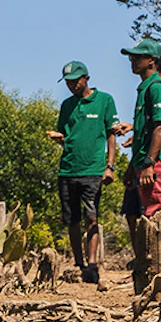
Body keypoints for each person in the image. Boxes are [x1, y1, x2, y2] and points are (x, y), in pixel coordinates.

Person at [47, 61, 119, 286]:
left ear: (86, 78)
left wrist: (110, 166)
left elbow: (111, 135)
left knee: (91, 216)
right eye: (68, 82)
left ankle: (92, 264)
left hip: (93, 170)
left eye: (75, 81)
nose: (71, 85)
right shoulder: (67, 105)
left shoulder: (105, 101)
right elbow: (67, 136)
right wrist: (60, 140)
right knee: (72, 220)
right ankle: (78, 264)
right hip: (68, 170)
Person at [119, 39, 161, 302]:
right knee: (145, 216)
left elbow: (160, 128)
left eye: (137, 57)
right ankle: (150, 278)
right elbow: (142, 135)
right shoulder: (143, 89)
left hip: (156, 164)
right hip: (143, 164)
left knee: (157, 215)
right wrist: (133, 167)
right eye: (132, 57)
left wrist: (151, 163)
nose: (133, 60)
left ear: (151, 61)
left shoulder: (157, 89)